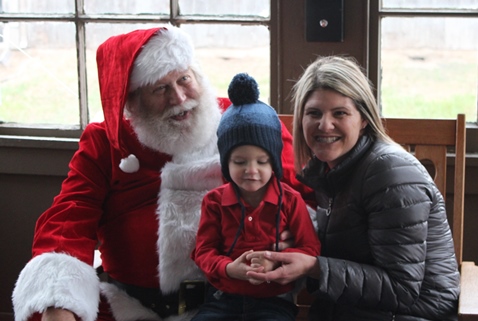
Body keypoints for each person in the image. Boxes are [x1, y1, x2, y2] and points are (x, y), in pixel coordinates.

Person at [11, 26, 312, 321]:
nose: (180, 98)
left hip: (225, 304)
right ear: (132, 101)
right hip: (128, 306)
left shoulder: (242, 121)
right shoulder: (106, 141)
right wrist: (57, 300)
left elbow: (300, 195)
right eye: (160, 88)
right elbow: (68, 219)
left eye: (184, 79)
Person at [246, 55, 460, 321]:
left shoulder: (390, 173)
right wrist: (300, 247)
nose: (324, 125)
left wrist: (314, 267)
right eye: (314, 113)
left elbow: (403, 290)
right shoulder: (331, 170)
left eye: (340, 113)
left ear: (364, 119)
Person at [190, 73, 321, 321]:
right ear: (225, 163)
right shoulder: (214, 202)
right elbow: (203, 251)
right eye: (239, 161)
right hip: (222, 297)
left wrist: (276, 263)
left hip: (274, 300)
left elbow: (310, 248)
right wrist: (229, 269)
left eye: (262, 161)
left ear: (274, 163)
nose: (251, 170)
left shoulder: (290, 201)